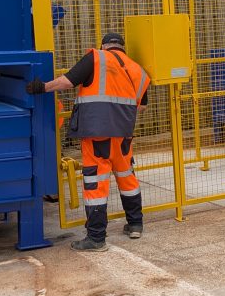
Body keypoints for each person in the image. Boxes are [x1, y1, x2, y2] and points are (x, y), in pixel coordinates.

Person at [26, 32, 150, 251]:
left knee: (96, 183)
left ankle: (96, 238)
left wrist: (41, 87)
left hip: (97, 133)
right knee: (127, 177)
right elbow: (141, 106)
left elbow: (67, 82)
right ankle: (135, 225)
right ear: (123, 48)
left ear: (104, 45)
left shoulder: (96, 58)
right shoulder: (138, 70)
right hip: (123, 135)